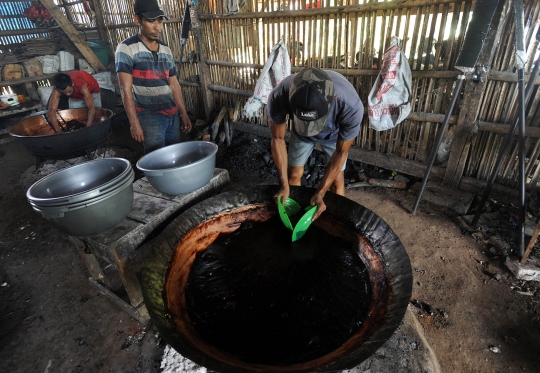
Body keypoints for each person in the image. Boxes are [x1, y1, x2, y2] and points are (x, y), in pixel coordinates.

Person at [266, 67, 364, 221]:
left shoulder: (350, 105)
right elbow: (277, 139)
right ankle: (293, 217)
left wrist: (320, 193)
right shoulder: (280, 95)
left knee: (337, 179)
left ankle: (336, 222)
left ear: (334, 98)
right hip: (300, 133)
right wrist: (284, 185)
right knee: (293, 174)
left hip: (334, 135)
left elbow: (341, 152)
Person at [115, 0, 192, 153]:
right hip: (149, 115)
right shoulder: (126, 48)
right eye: (151, 21)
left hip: (172, 113)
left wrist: (183, 113)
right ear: (137, 19)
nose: (157, 27)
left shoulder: (166, 50)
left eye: (160, 20)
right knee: (157, 159)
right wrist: (134, 123)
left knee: (175, 154)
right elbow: (126, 89)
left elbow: (174, 84)